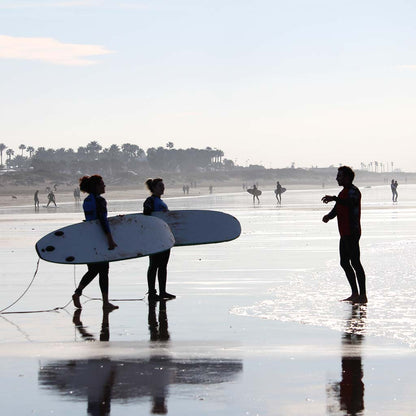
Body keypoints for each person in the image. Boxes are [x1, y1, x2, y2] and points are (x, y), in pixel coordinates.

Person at [72, 175, 118, 310]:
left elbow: (91, 220)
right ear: (96, 186)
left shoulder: (87, 200)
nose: (104, 186)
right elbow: (102, 221)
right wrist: (110, 238)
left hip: (89, 238)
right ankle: (103, 302)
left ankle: (80, 294)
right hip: (100, 238)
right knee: (102, 270)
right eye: (102, 184)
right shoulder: (100, 200)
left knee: (94, 269)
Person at [322, 166, 367, 304]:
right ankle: (354, 293)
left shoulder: (353, 192)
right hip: (344, 233)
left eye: (339, 176)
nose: (337, 178)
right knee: (344, 262)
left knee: (355, 262)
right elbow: (337, 209)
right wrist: (328, 216)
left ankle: (362, 295)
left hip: (352, 232)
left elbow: (349, 203)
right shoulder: (343, 193)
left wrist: (334, 198)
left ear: (347, 178)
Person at [143, 178, 176, 301]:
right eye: (160, 186)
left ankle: (162, 291)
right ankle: (152, 293)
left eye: (163, 185)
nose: (163, 188)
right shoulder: (150, 201)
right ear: (154, 188)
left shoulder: (160, 202)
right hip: (155, 238)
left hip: (164, 238)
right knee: (153, 266)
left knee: (163, 266)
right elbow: (147, 218)